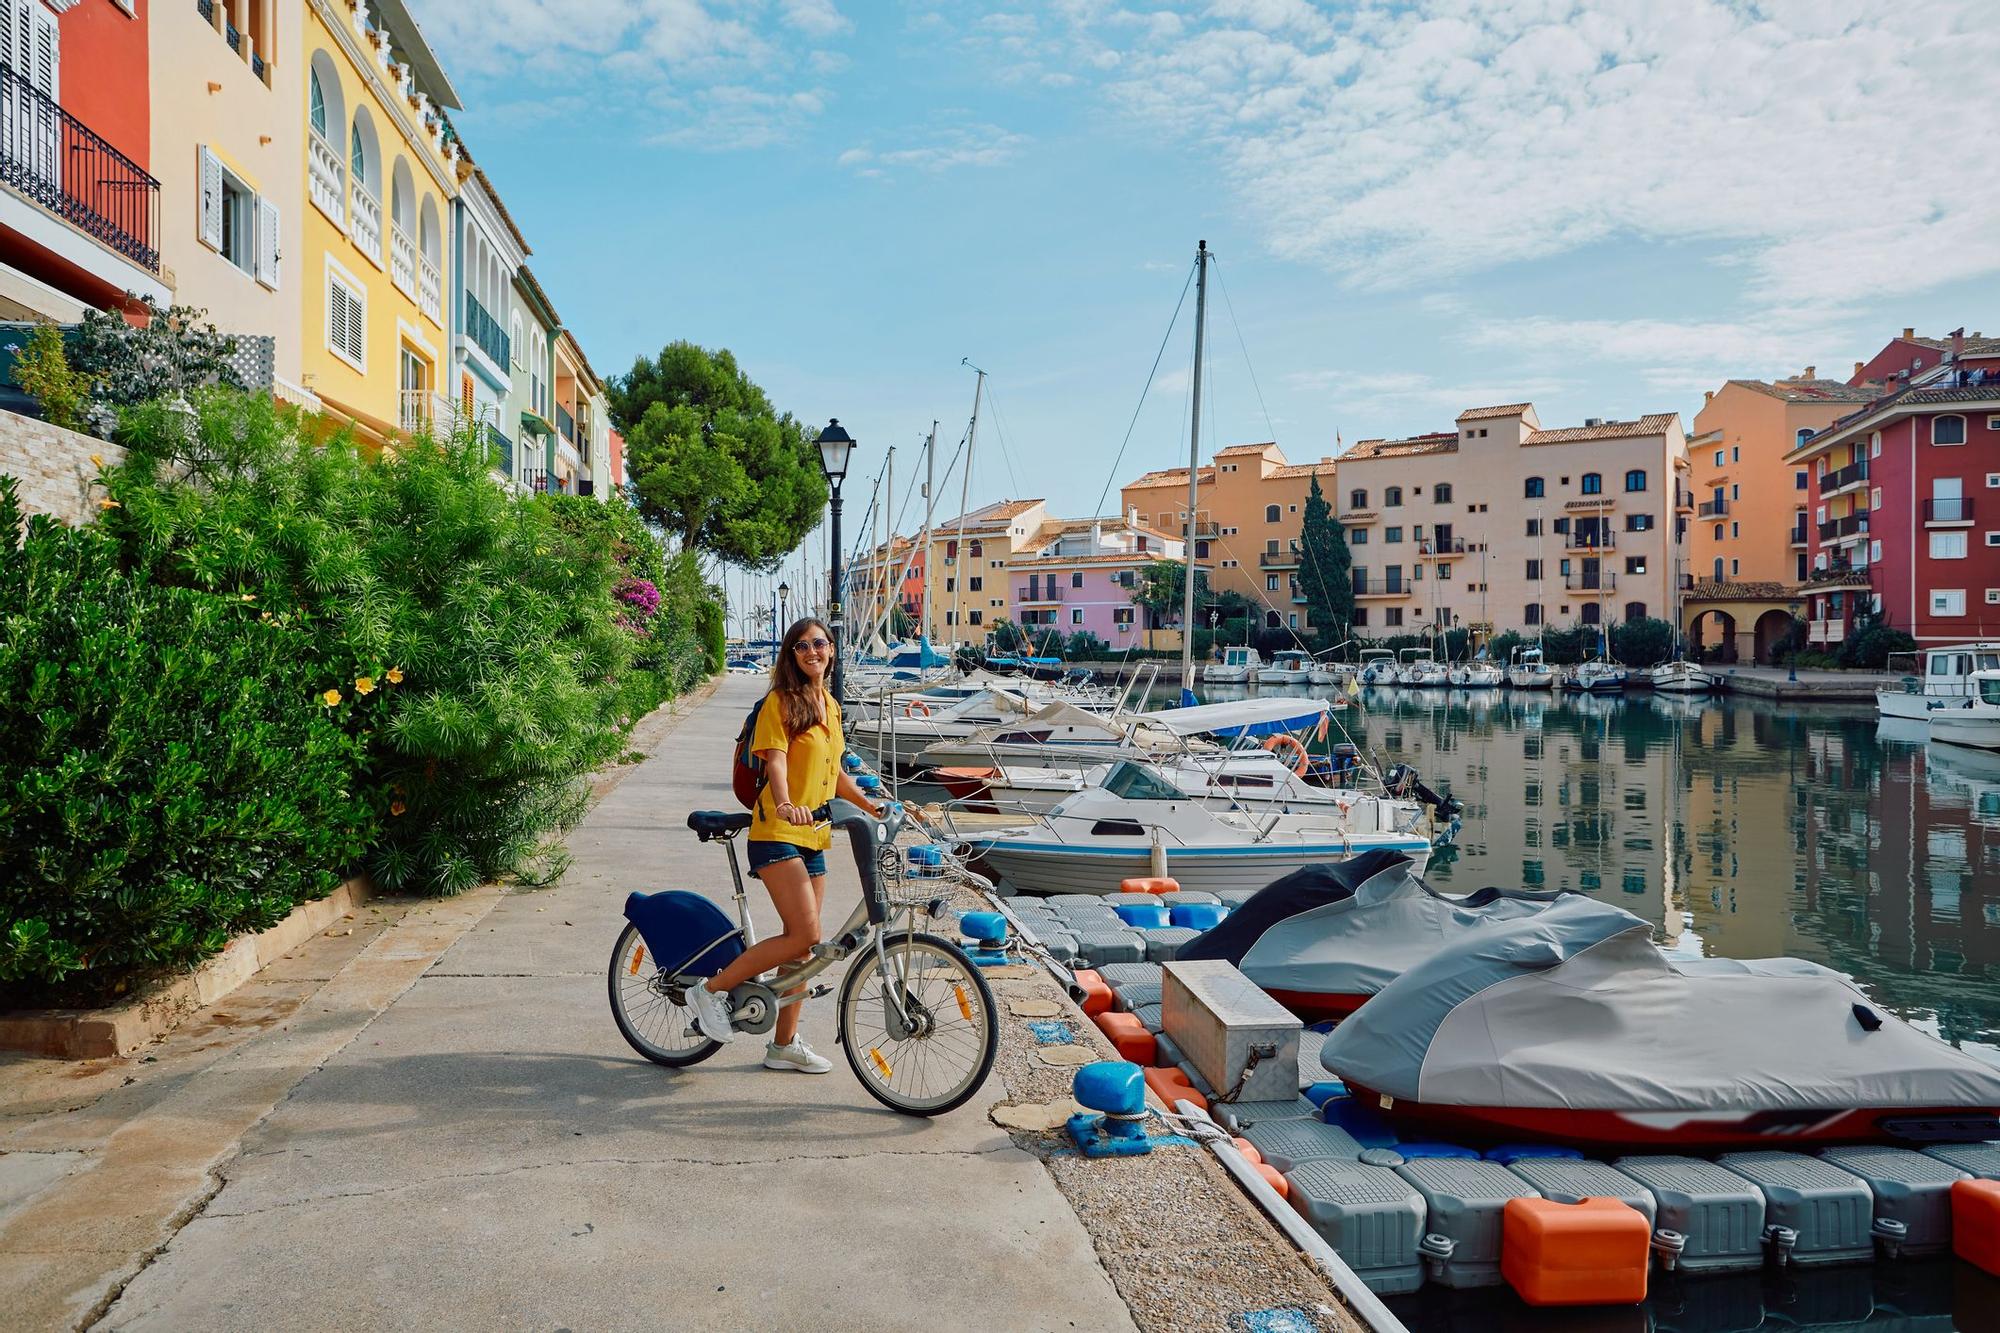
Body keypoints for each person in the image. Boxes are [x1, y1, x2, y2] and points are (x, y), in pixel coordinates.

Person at [683, 617, 880, 1072]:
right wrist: (787, 802)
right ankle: (709, 991)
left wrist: (873, 808)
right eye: (801, 646)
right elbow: (776, 761)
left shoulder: (829, 705)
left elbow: (833, 774)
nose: (812, 651)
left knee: (804, 952)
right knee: (805, 935)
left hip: (814, 835)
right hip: (776, 832)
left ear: (831, 649)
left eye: (819, 644)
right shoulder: (780, 701)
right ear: (791, 655)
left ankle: (782, 1045)